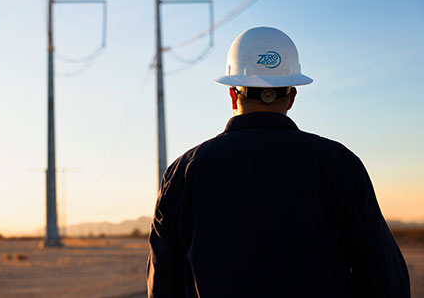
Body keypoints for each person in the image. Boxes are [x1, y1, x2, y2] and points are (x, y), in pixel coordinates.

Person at [147, 27, 410, 297]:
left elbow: (163, 285)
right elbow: (386, 280)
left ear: (232, 94)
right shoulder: (340, 165)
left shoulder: (182, 174)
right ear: (292, 96)